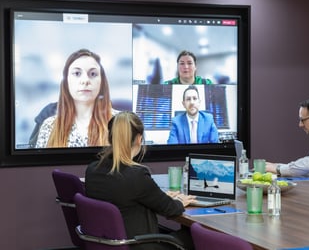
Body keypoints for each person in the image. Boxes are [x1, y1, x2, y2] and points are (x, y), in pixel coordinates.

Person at [85, 111, 196, 250]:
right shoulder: (136, 175)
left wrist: (161, 196)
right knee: (195, 236)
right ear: (139, 138)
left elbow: (129, 197)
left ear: (110, 138)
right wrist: (180, 201)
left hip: (111, 243)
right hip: (139, 244)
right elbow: (170, 209)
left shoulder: (92, 169)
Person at [35, 49, 115, 148]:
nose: (85, 81)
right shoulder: (49, 126)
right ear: (66, 82)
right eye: (77, 73)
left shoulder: (121, 123)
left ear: (102, 82)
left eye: (93, 74)